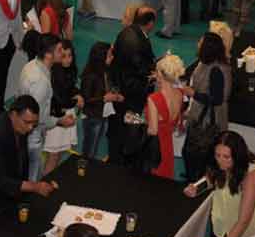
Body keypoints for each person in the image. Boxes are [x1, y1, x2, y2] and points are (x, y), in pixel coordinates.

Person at [0, 95, 58, 228]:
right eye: (27, 122)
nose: (31, 128)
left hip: (5, 192)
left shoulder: (19, 127)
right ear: (14, 114)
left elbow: (21, 160)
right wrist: (34, 186)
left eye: (34, 124)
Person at [19, 34, 73, 181]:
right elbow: (38, 118)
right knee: (33, 177)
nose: (63, 52)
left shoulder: (31, 65)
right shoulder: (40, 82)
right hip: (33, 136)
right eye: (60, 49)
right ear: (49, 54)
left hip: (27, 132)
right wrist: (60, 121)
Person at [107, 9, 157, 164]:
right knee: (128, 126)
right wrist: (153, 73)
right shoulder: (137, 40)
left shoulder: (125, 32)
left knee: (117, 124)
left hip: (120, 87)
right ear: (150, 24)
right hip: (132, 92)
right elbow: (140, 67)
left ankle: (115, 154)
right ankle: (122, 157)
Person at [183, 33, 232, 181]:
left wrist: (193, 93)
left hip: (207, 122)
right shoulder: (210, 63)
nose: (198, 43)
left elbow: (217, 99)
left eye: (200, 41)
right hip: (203, 117)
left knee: (196, 154)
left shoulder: (216, 70)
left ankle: (195, 180)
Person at [41, 40, 80, 176]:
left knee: (57, 155)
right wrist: (75, 100)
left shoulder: (68, 70)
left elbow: (70, 89)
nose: (68, 60)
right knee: (53, 156)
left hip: (63, 115)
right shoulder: (55, 73)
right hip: (57, 118)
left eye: (70, 55)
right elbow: (60, 100)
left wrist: (76, 94)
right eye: (63, 56)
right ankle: (44, 183)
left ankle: (49, 181)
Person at [78, 42, 120, 160]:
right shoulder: (90, 76)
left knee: (94, 147)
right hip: (92, 117)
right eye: (109, 55)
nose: (112, 57)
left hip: (101, 115)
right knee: (89, 151)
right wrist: (104, 98)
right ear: (101, 58)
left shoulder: (105, 71)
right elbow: (85, 100)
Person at [147, 53, 184, 178]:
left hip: (155, 148)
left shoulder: (154, 99)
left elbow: (153, 130)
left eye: (157, 71)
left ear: (161, 75)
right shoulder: (179, 94)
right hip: (168, 146)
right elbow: (175, 122)